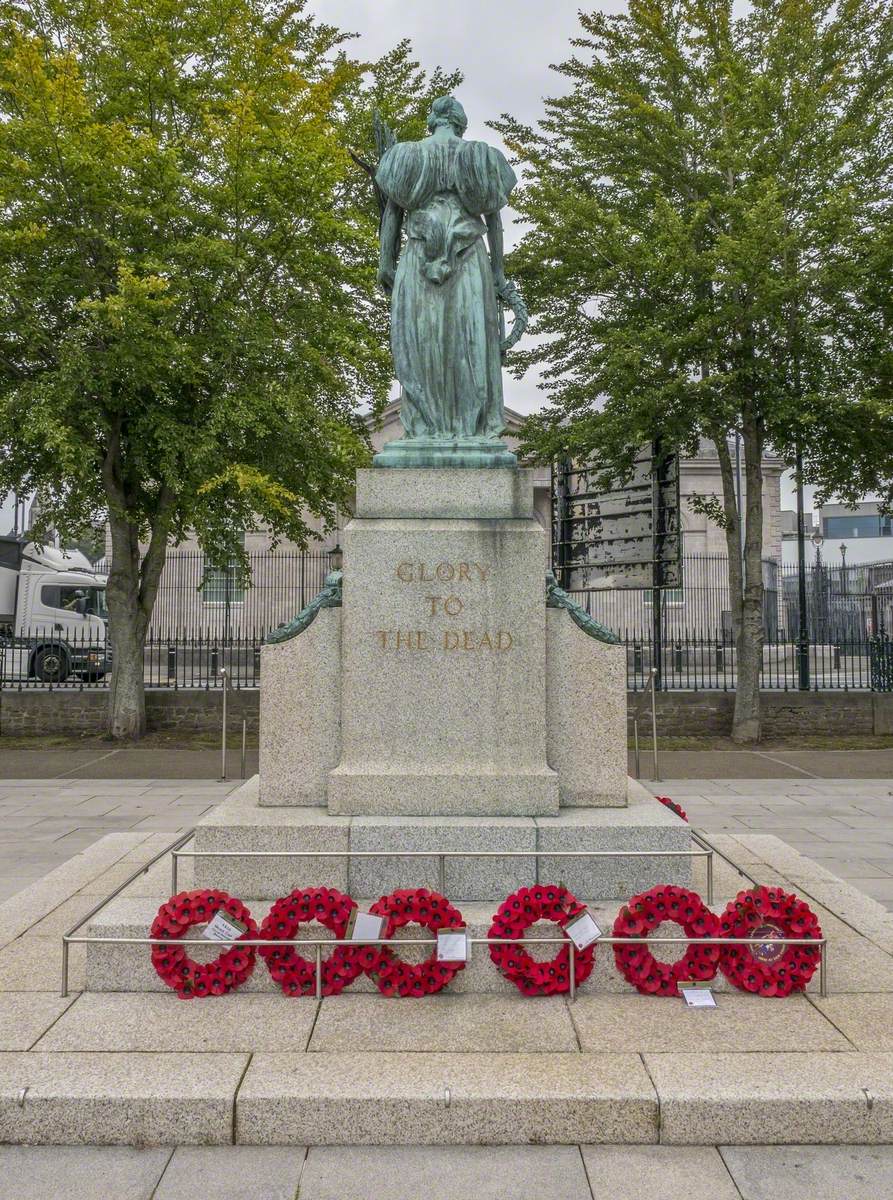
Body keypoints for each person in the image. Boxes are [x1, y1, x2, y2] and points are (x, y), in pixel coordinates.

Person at [375, 95, 519, 459]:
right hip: (471, 257)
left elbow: (392, 214)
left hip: (418, 254)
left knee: (421, 344)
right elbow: (494, 220)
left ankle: (424, 426)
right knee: (469, 343)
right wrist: (499, 273)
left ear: (432, 121)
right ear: (460, 123)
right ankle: (468, 429)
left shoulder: (407, 156)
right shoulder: (481, 158)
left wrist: (385, 263)